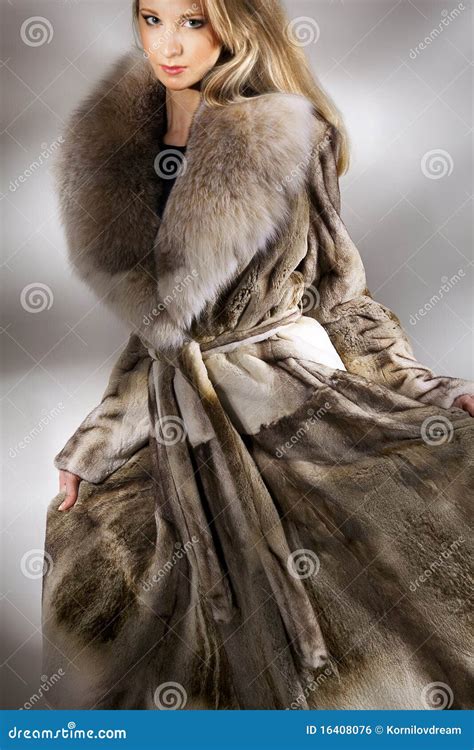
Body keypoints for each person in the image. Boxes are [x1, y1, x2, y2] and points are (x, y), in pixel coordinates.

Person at [42, 0, 474, 710]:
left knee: (383, 581)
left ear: (235, 24)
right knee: (114, 571)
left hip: (288, 404)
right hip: (180, 421)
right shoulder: (111, 148)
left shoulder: (285, 136)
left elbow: (339, 295)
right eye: (153, 18)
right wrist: (95, 442)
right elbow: (158, 334)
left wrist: (422, 387)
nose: (169, 43)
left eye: (193, 20)